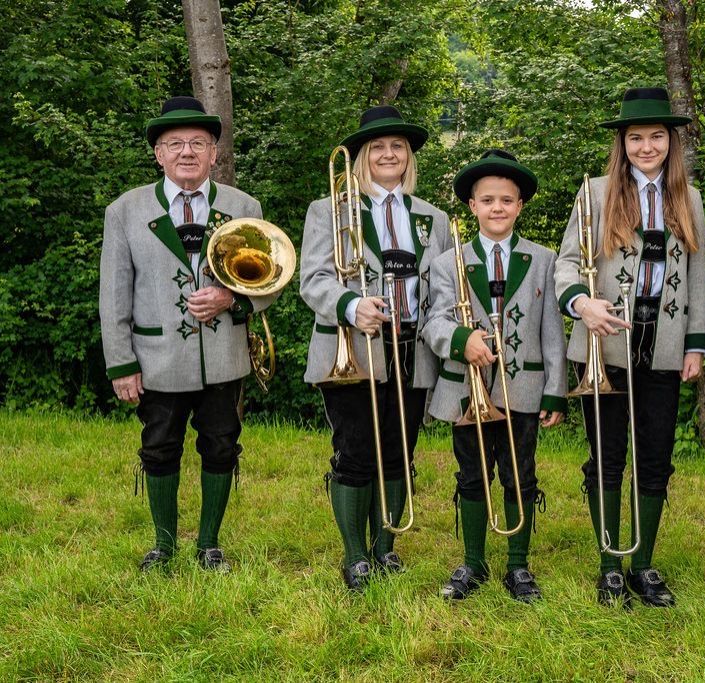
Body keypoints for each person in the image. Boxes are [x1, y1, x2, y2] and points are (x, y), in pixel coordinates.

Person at [100, 96, 278, 572]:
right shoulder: (125, 210)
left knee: (222, 444)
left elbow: (271, 280)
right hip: (157, 358)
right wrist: (121, 363)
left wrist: (232, 300)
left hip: (224, 353)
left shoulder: (244, 206)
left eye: (198, 143)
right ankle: (163, 546)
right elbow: (114, 294)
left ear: (213, 153)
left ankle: (209, 544)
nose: (186, 152)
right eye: (174, 143)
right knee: (159, 447)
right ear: (157, 154)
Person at [554, 88, 705, 608]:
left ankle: (642, 566)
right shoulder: (595, 192)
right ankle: (609, 566)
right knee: (607, 457)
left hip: (663, 344)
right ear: (622, 144)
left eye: (657, 137)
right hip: (607, 344)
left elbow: (698, 275)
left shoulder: (688, 198)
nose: (647, 146)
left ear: (672, 142)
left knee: (654, 457)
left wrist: (696, 344)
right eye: (636, 137)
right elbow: (565, 262)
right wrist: (583, 304)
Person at [300, 105, 452, 592]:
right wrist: (349, 304)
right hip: (356, 345)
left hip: (414, 347)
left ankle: (386, 548)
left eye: (399, 147)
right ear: (363, 158)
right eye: (379, 148)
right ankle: (355, 555)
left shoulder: (435, 218)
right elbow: (313, 280)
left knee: (399, 451)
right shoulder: (329, 209)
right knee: (356, 452)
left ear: (409, 158)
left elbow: (445, 288)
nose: (390, 154)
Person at [421, 150, 567, 603]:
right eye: (488, 200)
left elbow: (552, 331)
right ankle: (473, 562)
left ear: (520, 205)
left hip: (524, 388)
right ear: (472, 207)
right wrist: (462, 337)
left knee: (520, 474)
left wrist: (556, 391)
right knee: (471, 475)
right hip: (470, 390)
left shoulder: (543, 258)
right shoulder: (450, 262)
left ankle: (518, 566)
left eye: (506, 200)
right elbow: (434, 321)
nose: (497, 208)